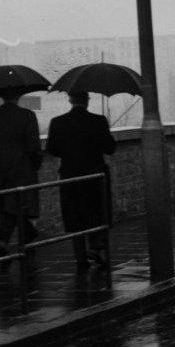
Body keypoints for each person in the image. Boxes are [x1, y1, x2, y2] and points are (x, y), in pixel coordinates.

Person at [46, 91, 116, 268]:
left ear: (70, 100)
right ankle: (97, 246)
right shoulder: (99, 121)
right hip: (94, 175)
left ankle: (80, 258)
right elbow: (110, 148)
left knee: (74, 214)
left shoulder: (57, 122)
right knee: (97, 211)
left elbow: (52, 150)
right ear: (87, 101)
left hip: (70, 175)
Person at [0, 90, 42, 256]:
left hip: (0, 167)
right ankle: (2, 235)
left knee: (7, 204)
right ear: (18, 96)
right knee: (20, 204)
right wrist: (35, 164)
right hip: (23, 167)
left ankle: (17, 239)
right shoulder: (27, 115)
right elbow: (34, 145)